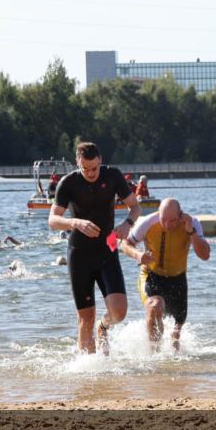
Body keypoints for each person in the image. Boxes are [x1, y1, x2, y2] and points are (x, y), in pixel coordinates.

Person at [48, 142, 141, 354]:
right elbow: (52, 220)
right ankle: (88, 370)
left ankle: (104, 326)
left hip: (106, 251)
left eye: (95, 168)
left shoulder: (113, 176)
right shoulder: (68, 182)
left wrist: (127, 224)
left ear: (101, 161)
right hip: (79, 255)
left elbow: (134, 206)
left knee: (119, 312)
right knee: (86, 317)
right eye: (85, 169)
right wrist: (75, 223)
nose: (91, 173)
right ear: (77, 163)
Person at [120, 198, 210, 350]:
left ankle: (168, 365)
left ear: (180, 215)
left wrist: (191, 232)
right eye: (163, 220)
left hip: (178, 279)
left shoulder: (192, 223)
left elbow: (205, 255)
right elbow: (125, 243)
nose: (167, 225)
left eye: (172, 220)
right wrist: (138, 255)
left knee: (175, 337)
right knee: (154, 306)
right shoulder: (149, 222)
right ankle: (154, 353)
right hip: (152, 275)